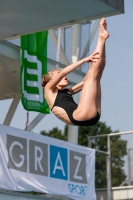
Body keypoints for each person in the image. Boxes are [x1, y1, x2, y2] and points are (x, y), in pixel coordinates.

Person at [42, 18, 109, 126]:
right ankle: (100, 38)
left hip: (91, 115)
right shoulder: (48, 90)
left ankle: (102, 39)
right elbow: (64, 72)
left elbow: (84, 82)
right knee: (93, 74)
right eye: (57, 75)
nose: (63, 76)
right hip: (81, 115)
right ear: (53, 80)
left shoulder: (67, 92)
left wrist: (91, 64)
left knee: (97, 74)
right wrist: (84, 60)